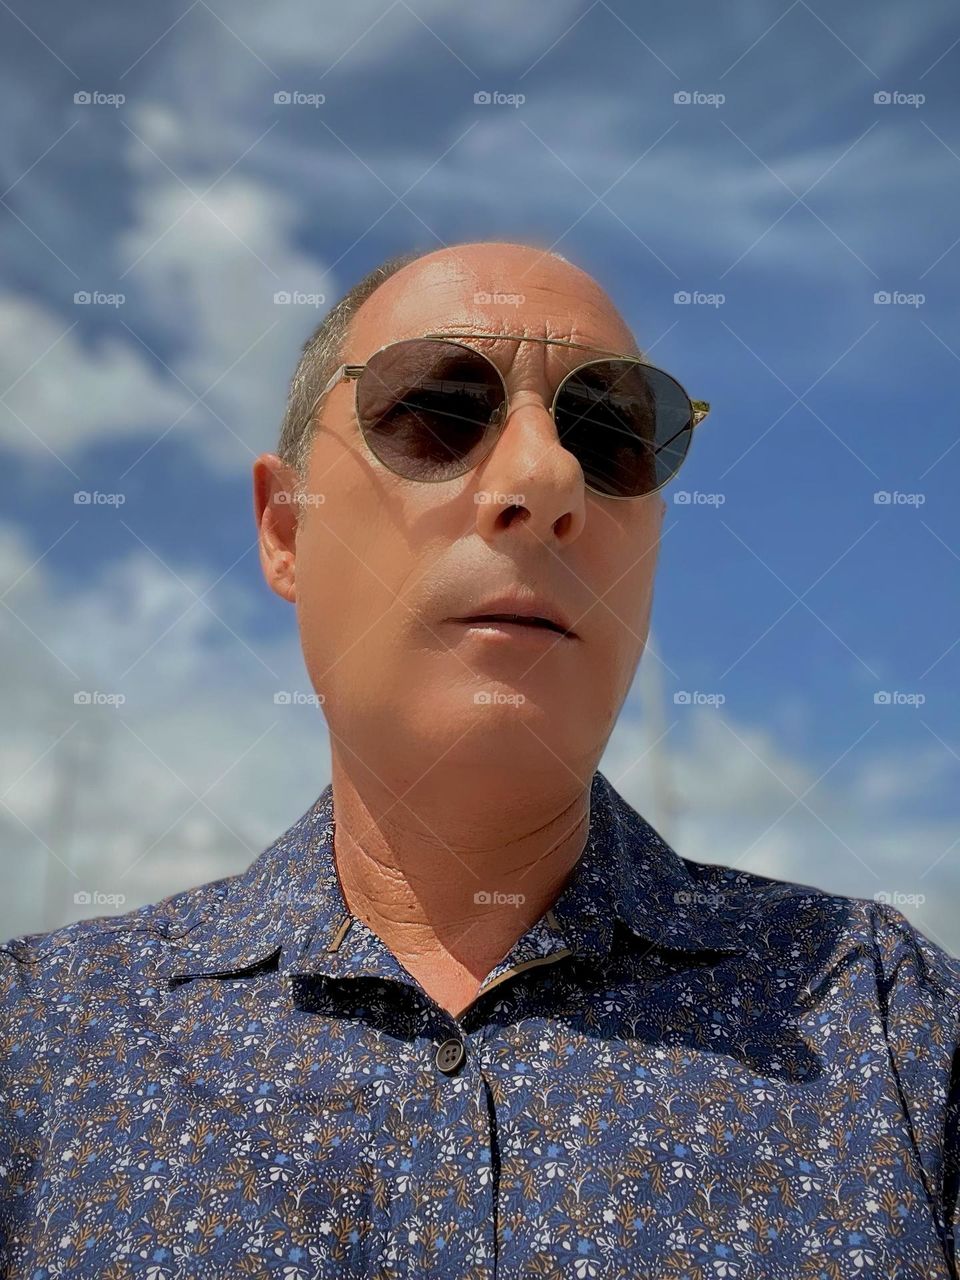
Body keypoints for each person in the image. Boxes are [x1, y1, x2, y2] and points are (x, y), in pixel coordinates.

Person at [2, 240, 958, 1279]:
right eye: (438, 410)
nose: (545, 477)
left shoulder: (891, 1022)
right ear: (285, 528)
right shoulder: (40, 1043)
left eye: (611, 433)